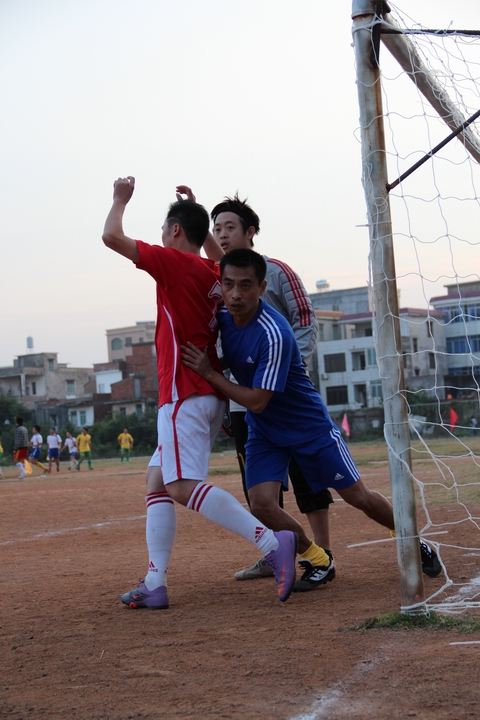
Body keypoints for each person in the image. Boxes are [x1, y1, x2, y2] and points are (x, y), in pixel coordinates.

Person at [181, 248, 442, 587]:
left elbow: (257, 401)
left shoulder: (274, 333)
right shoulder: (223, 317)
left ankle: (413, 540)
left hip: (309, 428)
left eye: (245, 285)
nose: (235, 294)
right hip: (266, 432)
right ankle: (319, 559)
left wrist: (209, 374)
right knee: (261, 505)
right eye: (228, 284)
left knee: (358, 497)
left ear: (261, 288)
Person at [102, 175, 305, 608]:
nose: (160, 237)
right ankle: (155, 583)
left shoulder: (176, 263)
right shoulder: (214, 273)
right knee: (157, 481)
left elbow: (111, 237)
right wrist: (196, 211)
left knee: (180, 486)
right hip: (206, 393)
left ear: (175, 230)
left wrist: (120, 199)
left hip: (184, 391)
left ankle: (273, 545)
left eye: (164, 230)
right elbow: (218, 257)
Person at [207, 191, 334, 585]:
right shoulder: (220, 281)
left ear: (250, 232)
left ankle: (323, 552)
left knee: (308, 476)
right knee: (259, 487)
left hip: (287, 396)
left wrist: (288, 372)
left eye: (229, 227)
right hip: (245, 402)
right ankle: (275, 551)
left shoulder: (277, 272)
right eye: (216, 228)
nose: (222, 234)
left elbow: (305, 319)